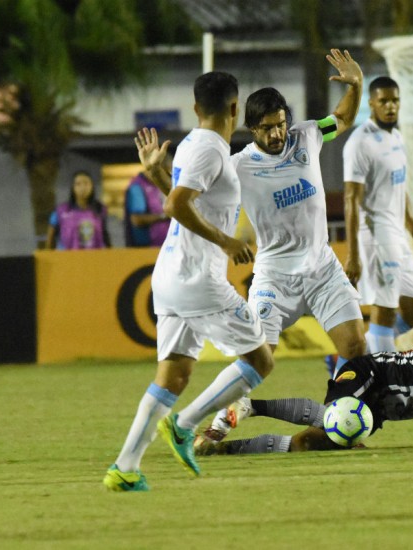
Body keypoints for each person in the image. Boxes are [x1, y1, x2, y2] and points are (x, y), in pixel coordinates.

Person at [143, 49, 367, 378]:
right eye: (267, 128)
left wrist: (356, 85)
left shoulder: (307, 135)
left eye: (281, 124)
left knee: (356, 349)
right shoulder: (237, 165)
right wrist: (157, 176)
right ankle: (219, 424)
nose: (277, 133)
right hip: (274, 277)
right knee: (257, 363)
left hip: (322, 268)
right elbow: (189, 203)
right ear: (250, 128)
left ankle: (336, 421)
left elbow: (343, 118)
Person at [102, 71, 275, 492]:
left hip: (172, 277)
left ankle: (125, 468)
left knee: (173, 375)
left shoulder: (192, 147)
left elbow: (178, 198)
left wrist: (155, 173)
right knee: (261, 360)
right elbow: (178, 205)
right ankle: (184, 425)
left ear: (196, 108)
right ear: (235, 108)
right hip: (200, 280)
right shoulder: (212, 150)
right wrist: (228, 241)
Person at [196, 319, 413, 455]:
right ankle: (250, 407)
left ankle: (227, 446)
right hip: (368, 375)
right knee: (347, 422)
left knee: (307, 445)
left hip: (377, 408)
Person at [341, 76, 413, 355]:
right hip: (376, 235)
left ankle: (354, 358)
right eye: (384, 101)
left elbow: (399, 190)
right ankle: (387, 386)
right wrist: (352, 254)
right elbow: (351, 199)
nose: (390, 106)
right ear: (371, 104)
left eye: (395, 100)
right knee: (385, 313)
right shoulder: (360, 143)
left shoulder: (396, 136)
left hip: (398, 235)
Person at [45, 171, 111, 249]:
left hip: (94, 258)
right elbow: (50, 235)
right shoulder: (61, 210)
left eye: (86, 183)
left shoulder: (100, 209)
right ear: (73, 188)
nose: (83, 187)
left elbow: (105, 236)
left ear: (92, 187)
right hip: (66, 258)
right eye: (78, 184)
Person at [123, 170, 170, 247]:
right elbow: (137, 219)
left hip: (165, 245)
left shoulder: (160, 184)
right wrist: (165, 216)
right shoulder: (137, 186)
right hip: (147, 247)